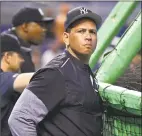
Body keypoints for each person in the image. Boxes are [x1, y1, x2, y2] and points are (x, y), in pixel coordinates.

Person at [8, 7, 103, 136]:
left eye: (92, 32)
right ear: (66, 38)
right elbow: (20, 118)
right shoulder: (57, 72)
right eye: (81, 31)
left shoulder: (84, 69)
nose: (88, 37)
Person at [0, 34, 34, 136]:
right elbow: (36, 79)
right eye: (19, 56)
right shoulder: (3, 78)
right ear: (7, 57)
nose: (22, 60)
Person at [1, 7, 54, 73]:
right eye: (41, 25)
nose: (44, 29)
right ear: (25, 26)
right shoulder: (6, 45)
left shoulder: (21, 46)